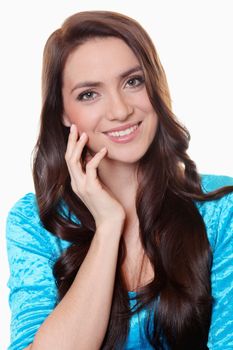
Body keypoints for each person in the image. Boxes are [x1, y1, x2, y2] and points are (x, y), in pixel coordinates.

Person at [6, 10, 233, 350]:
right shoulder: (34, 222)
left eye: (132, 82)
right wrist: (109, 225)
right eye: (89, 94)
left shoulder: (220, 209)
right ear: (64, 113)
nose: (120, 110)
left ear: (155, 86)